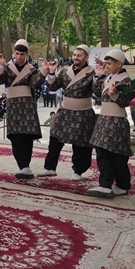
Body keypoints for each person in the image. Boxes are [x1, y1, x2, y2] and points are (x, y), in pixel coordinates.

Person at [0, 39, 49, 179]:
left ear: (27, 54)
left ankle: (26, 166)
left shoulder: (31, 69)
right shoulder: (7, 68)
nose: (19, 57)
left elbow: (35, 84)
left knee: (27, 137)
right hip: (13, 106)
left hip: (27, 105)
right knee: (15, 137)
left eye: (22, 54)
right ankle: (23, 166)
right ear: (13, 53)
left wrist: (44, 71)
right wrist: (0, 65)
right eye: (16, 54)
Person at [39, 45, 96, 180]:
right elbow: (53, 87)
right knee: (55, 139)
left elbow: (97, 91)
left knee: (81, 144)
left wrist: (101, 76)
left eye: (79, 55)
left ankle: (78, 170)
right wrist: (51, 73)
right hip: (65, 112)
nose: (76, 57)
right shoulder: (65, 72)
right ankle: (50, 168)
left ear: (86, 57)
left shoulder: (92, 73)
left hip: (83, 113)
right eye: (74, 55)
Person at [87, 49, 135, 198]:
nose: (106, 66)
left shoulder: (127, 81)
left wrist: (114, 93)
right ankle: (105, 184)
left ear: (119, 64)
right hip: (103, 120)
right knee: (102, 153)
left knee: (117, 156)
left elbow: (124, 102)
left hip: (116, 121)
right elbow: (96, 93)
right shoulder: (109, 78)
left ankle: (122, 185)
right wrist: (99, 75)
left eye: (109, 64)